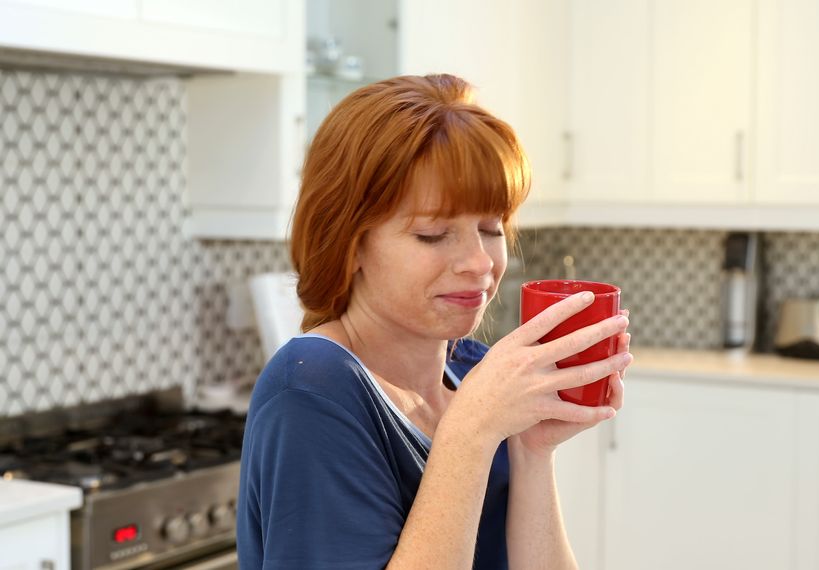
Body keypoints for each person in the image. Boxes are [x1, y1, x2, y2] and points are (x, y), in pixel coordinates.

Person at [236, 74, 632, 569]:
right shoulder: (312, 392)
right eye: (433, 234)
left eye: (490, 228)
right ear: (350, 243)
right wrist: (470, 431)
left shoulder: (472, 370)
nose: (479, 262)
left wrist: (532, 451)